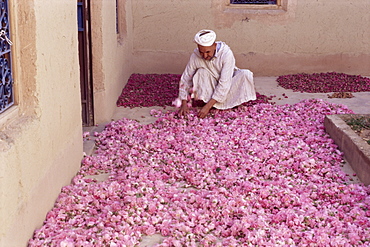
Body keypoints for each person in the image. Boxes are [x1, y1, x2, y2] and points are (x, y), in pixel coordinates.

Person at [177, 29, 256, 118]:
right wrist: (183, 103)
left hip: (228, 85)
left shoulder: (226, 54)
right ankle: (210, 102)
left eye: (207, 52)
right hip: (212, 84)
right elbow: (186, 77)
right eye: (201, 52)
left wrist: (207, 107)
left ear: (215, 46)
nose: (204, 56)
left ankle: (230, 103)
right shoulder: (195, 56)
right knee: (201, 72)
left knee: (245, 74)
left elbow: (225, 82)